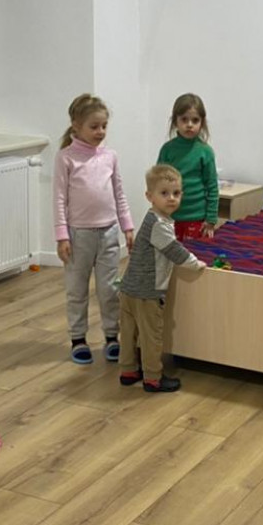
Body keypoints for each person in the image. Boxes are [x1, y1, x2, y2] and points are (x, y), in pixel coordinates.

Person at [53, 93, 135, 365]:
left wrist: (127, 226)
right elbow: (59, 199)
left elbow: (119, 193)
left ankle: (112, 336)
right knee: (77, 290)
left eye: (104, 126)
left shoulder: (110, 156)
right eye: (94, 126)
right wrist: (62, 235)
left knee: (109, 289)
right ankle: (78, 339)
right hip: (78, 236)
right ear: (76, 125)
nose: (100, 132)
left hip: (109, 233)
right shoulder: (66, 158)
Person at [118, 164, 206, 392]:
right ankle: (153, 377)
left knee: (128, 333)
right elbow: (175, 251)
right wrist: (196, 264)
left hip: (128, 287)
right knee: (151, 336)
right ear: (150, 196)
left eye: (176, 193)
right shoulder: (159, 225)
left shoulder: (152, 218)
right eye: (164, 193)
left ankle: (128, 370)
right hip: (147, 292)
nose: (171, 198)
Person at [157, 92, 219, 240]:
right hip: (171, 217)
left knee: (194, 253)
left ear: (202, 123)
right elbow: (158, 183)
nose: (189, 124)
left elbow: (212, 187)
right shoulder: (167, 150)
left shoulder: (205, 152)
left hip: (197, 219)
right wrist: (159, 212)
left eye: (195, 120)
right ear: (175, 121)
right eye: (184, 119)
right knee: (169, 253)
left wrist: (211, 219)